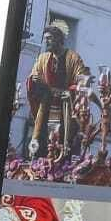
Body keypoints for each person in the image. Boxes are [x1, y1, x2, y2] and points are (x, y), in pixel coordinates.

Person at [25, 22, 90, 161]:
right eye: (45, 38)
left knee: (65, 140)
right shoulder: (43, 58)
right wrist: (34, 80)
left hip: (65, 106)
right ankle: (41, 162)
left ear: (59, 39)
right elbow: (33, 78)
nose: (46, 41)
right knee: (41, 139)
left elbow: (82, 80)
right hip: (46, 106)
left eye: (49, 38)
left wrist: (72, 89)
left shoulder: (72, 57)